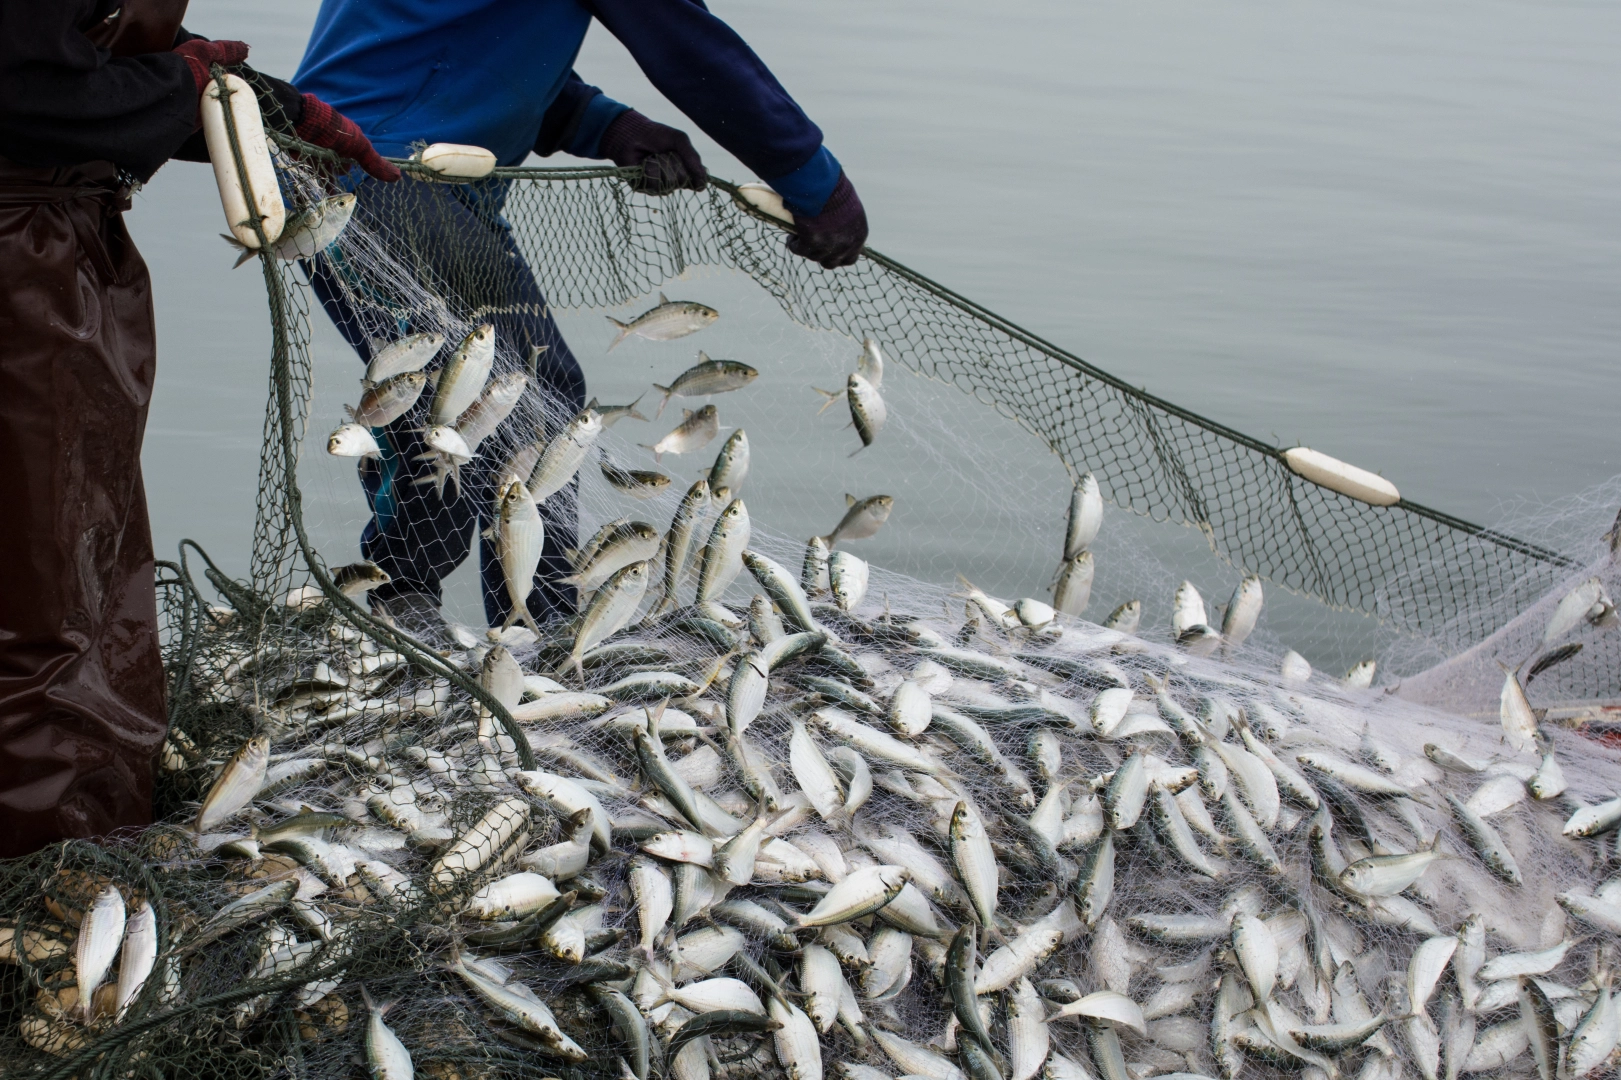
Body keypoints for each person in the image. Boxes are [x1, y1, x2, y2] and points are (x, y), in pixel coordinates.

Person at [293, 0, 870, 636]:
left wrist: (607, 125)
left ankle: (517, 621)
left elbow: (468, 42)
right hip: (382, 176)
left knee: (516, 397)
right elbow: (688, 47)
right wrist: (818, 184)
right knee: (484, 398)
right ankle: (442, 613)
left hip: (371, 165)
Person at [0, 0, 394, 858]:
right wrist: (184, 85)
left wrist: (272, 108)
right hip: (17, 264)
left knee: (86, 558)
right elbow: (25, 93)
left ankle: (95, 825)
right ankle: (48, 862)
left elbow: (81, 61)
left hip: (58, 246)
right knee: (39, 591)